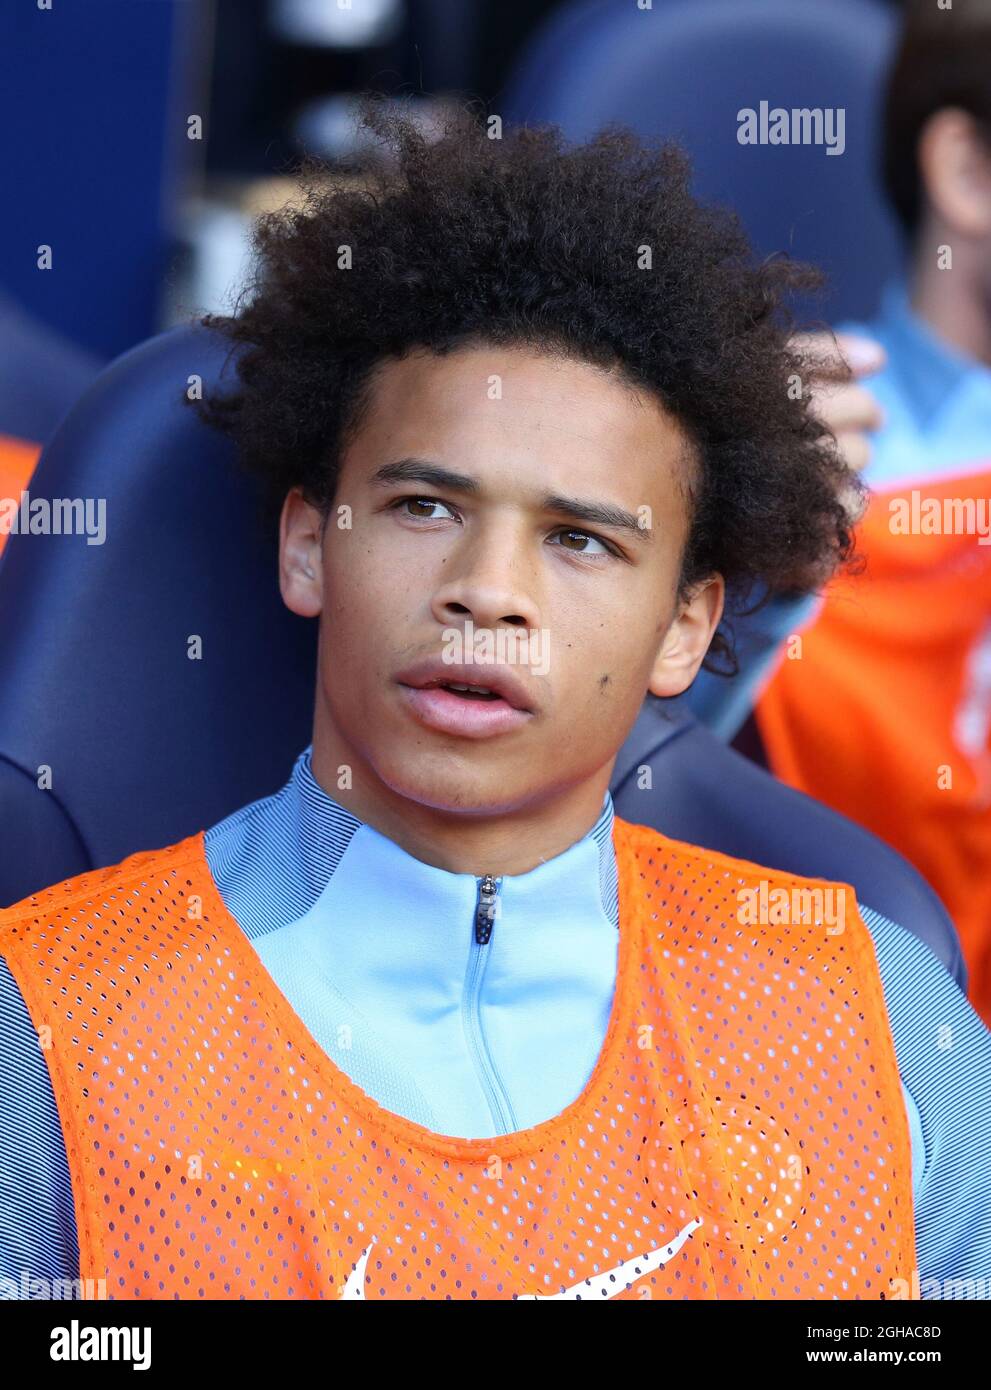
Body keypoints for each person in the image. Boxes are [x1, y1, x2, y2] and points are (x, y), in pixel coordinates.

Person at [1, 105, 988, 1302]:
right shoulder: (43, 1038)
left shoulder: (876, 1015)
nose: (488, 593)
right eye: (425, 508)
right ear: (310, 546)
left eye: (579, 540)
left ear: (686, 623)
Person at [756, 0, 991, 1023]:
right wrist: (760, 564)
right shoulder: (785, 440)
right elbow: (633, 763)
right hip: (841, 1051)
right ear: (969, 172)